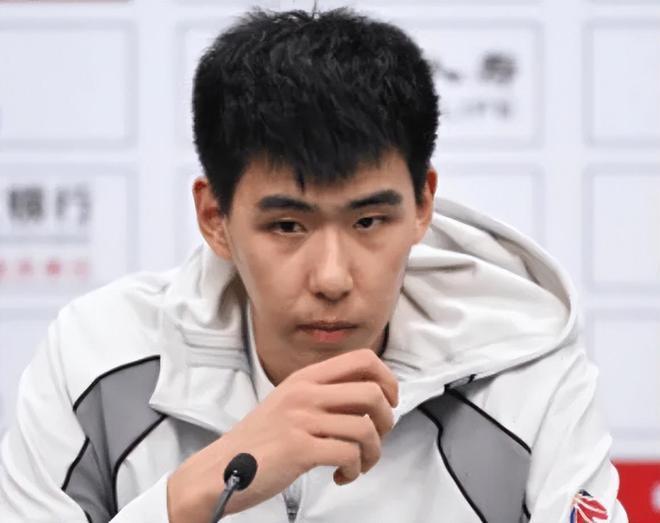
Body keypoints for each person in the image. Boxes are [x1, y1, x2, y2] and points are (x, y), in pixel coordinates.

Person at [0, 7, 627, 523]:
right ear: (215, 217)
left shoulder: (525, 372)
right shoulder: (98, 359)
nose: (331, 278)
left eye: (368, 222)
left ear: (423, 205)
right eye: (288, 226)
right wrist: (196, 493)